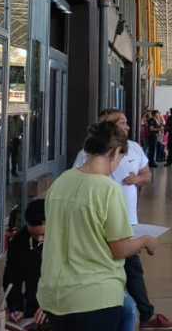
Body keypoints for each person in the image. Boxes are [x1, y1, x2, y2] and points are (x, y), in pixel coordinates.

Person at [38, 122, 158, 330]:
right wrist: (146, 240)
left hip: (54, 296)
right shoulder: (108, 189)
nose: (119, 163)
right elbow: (119, 249)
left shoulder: (61, 182)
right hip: (94, 297)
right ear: (113, 152)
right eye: (121, 157)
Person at [73, 109, 172, 331]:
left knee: (131, 269)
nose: (127, 126)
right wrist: (145, 242)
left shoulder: (135, 148)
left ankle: (142, 313)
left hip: (129, 221)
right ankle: (135, 312)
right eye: (121, 122)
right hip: (100, 225)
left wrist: (137, 179)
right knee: (122, 267)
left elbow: (147, 174)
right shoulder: (88, 159)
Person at [5, 199, 47, 326]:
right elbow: (12, 277)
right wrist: (16, 307)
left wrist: (51, 306)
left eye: (43, 235)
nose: (40, 240)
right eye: (35, 236)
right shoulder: (20, 241)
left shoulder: (66, 239)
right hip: (33, 305)